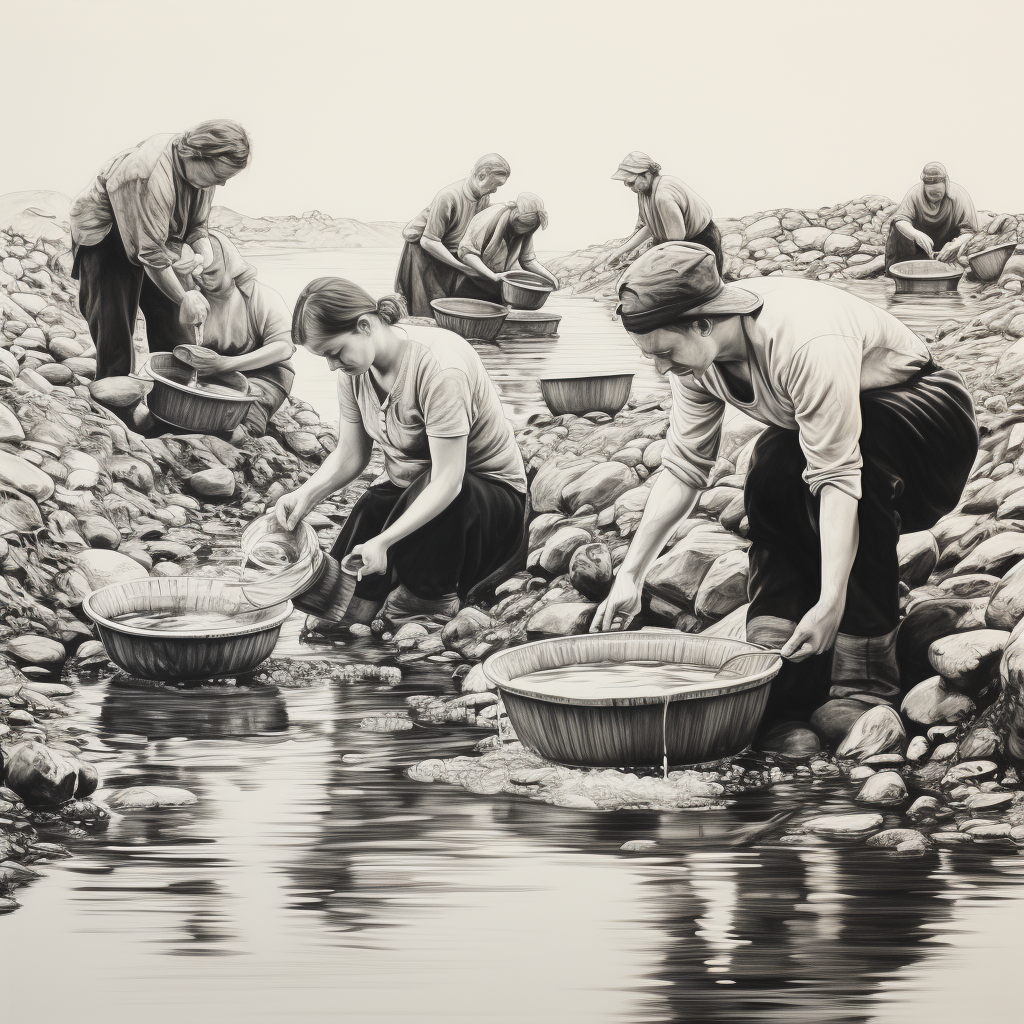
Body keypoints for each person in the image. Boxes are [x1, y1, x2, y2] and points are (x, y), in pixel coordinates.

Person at [593, 241, 979, 744]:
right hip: (841, 432)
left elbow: (840, 477)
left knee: (846, 472)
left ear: (705, 321)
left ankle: (865, 676)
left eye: (665, 353)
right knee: (771, 466)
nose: (662, 368)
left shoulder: (802, 341)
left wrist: (832, 601)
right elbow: (686, 468)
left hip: (928, 427)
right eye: (652, 357)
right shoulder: (694, 363)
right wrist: (631, 574)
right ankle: (774, 648)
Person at [276, 278, 528, 629]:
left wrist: (385, 541)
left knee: (434, 504)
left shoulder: (440, 368)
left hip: (483, 501)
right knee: (371, 506)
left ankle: (428, 599)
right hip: (413, 490)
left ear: (364, 325)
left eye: (334, 353)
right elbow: (351, 454)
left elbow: (448, 480)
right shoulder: (355, 371)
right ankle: (353, 601)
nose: (332, 366)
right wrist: (305, 495)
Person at [69, 120, 251, 381]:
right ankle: (114, 393)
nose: (221, 185)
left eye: (225, 178)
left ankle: (174, 391)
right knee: (114, 326)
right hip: (105, 235)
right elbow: (152, 256)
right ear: (197, 155)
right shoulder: (147, 173)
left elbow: (197, 226)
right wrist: (184, 297)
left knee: (176, 326)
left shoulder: (202, 175)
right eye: (219, 176)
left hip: (153, 240)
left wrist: (202, 256)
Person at [183, 230, 296, 435]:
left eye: (211, 273)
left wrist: (225, 364)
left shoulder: (258, 296)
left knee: (242, 420)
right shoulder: (193, 299)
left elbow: (284, 347)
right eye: (196, 275)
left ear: (231, 266)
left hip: (264, 374)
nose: (202, 281)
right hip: (215, 376)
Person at [394, 154, 511, 317]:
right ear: (481, 175)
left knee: (449, 303)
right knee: (426, 306)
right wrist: (463, 267)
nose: (495, 190)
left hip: (448, 251)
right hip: (422, 253)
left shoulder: (483, 197)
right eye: (494, 185)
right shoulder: (448, 196)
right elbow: (429, 241)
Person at [592, 152, 722, 275]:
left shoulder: (663, 196)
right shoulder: (643, 191)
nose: (629, 187)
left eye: (631, 182)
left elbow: (676, 241)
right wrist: (618, 253)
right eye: (625, 183)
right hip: (678, 244)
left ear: (647, 174)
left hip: (701, 243)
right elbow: (649, 227)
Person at [455, 193, 559, 302]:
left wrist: (551, 278)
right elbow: (467, 254)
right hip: (474, 280)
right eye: (523, 226)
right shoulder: (489, 217)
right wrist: (493, 276)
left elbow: (527, 260)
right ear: (516, 216)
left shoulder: (528, 226)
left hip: (500, 285)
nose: (524, 231)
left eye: (529, 228)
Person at [885, 162, 979, 272]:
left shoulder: (959, 196)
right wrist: (916, 234)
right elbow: (900, 220)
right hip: (921, 246)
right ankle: (895, 274)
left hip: (947, 246)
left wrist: (957, 244)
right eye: (931, 194)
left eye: (938, 193)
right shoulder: (914, 194)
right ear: (924, 186)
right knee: (897, 230)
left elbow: (970, 231)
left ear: (946, 183)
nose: (935, 198)